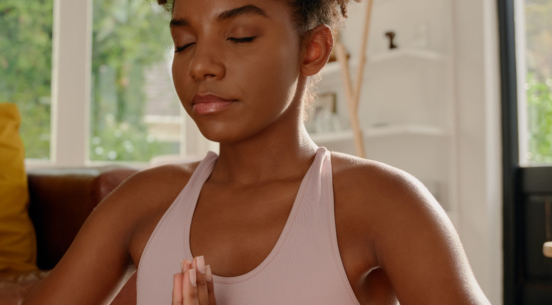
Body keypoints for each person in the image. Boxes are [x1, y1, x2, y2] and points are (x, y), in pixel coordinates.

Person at [25, 0, 489, 304]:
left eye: (240, 36)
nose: (200, 65)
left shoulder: (385, 204)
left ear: (312, 49)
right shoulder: (143, 202)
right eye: (183, 43)